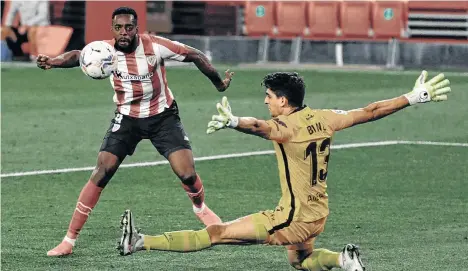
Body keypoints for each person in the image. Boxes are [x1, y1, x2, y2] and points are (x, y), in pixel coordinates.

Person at [118, 70, 451, 270]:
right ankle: (341, 261)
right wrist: (412, 96)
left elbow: (261, 127)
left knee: (217, 234)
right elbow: (370, 111)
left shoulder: (285, 126)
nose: (265, 101)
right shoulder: (325, 117)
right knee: (300, 262)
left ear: (283, 101)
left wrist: (234, 122)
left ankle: (140, 242)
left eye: (268, 96)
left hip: (290, 217)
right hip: (318, 211)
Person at [36, 6, 234, 256]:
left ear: (136, 28)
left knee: (186, 173)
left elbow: (193, 54)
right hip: (127, 119)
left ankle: (200, 208)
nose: (123, 32)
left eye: (129, 27)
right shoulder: (106, 51)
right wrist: (53, 61)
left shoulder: (155, 46)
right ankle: (69, 240)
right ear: (113, 29)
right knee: (101, 171)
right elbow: (78, 55)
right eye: (118, 27)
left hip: (163, 117)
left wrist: (219, 84)